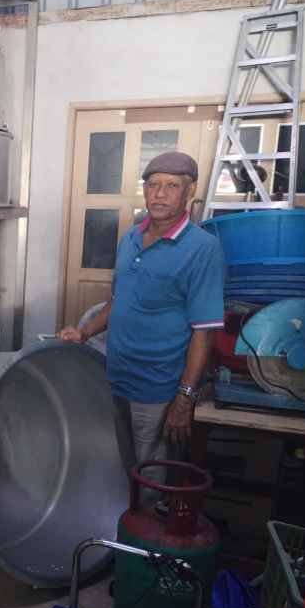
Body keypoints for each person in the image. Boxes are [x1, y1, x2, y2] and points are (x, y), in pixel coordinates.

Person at [59, 151, 225, 479]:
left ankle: (144, 527)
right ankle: (120, 525)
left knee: (149, 476)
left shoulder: (203, 249)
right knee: (118, 464)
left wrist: (184, 398)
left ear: (189, 192)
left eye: (171, 185)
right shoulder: (130, 238)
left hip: (157, 389)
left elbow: (203, 332)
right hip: (115, 376)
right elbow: (118, 300)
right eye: (152, 185)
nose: (160, 193)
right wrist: (85, 332)